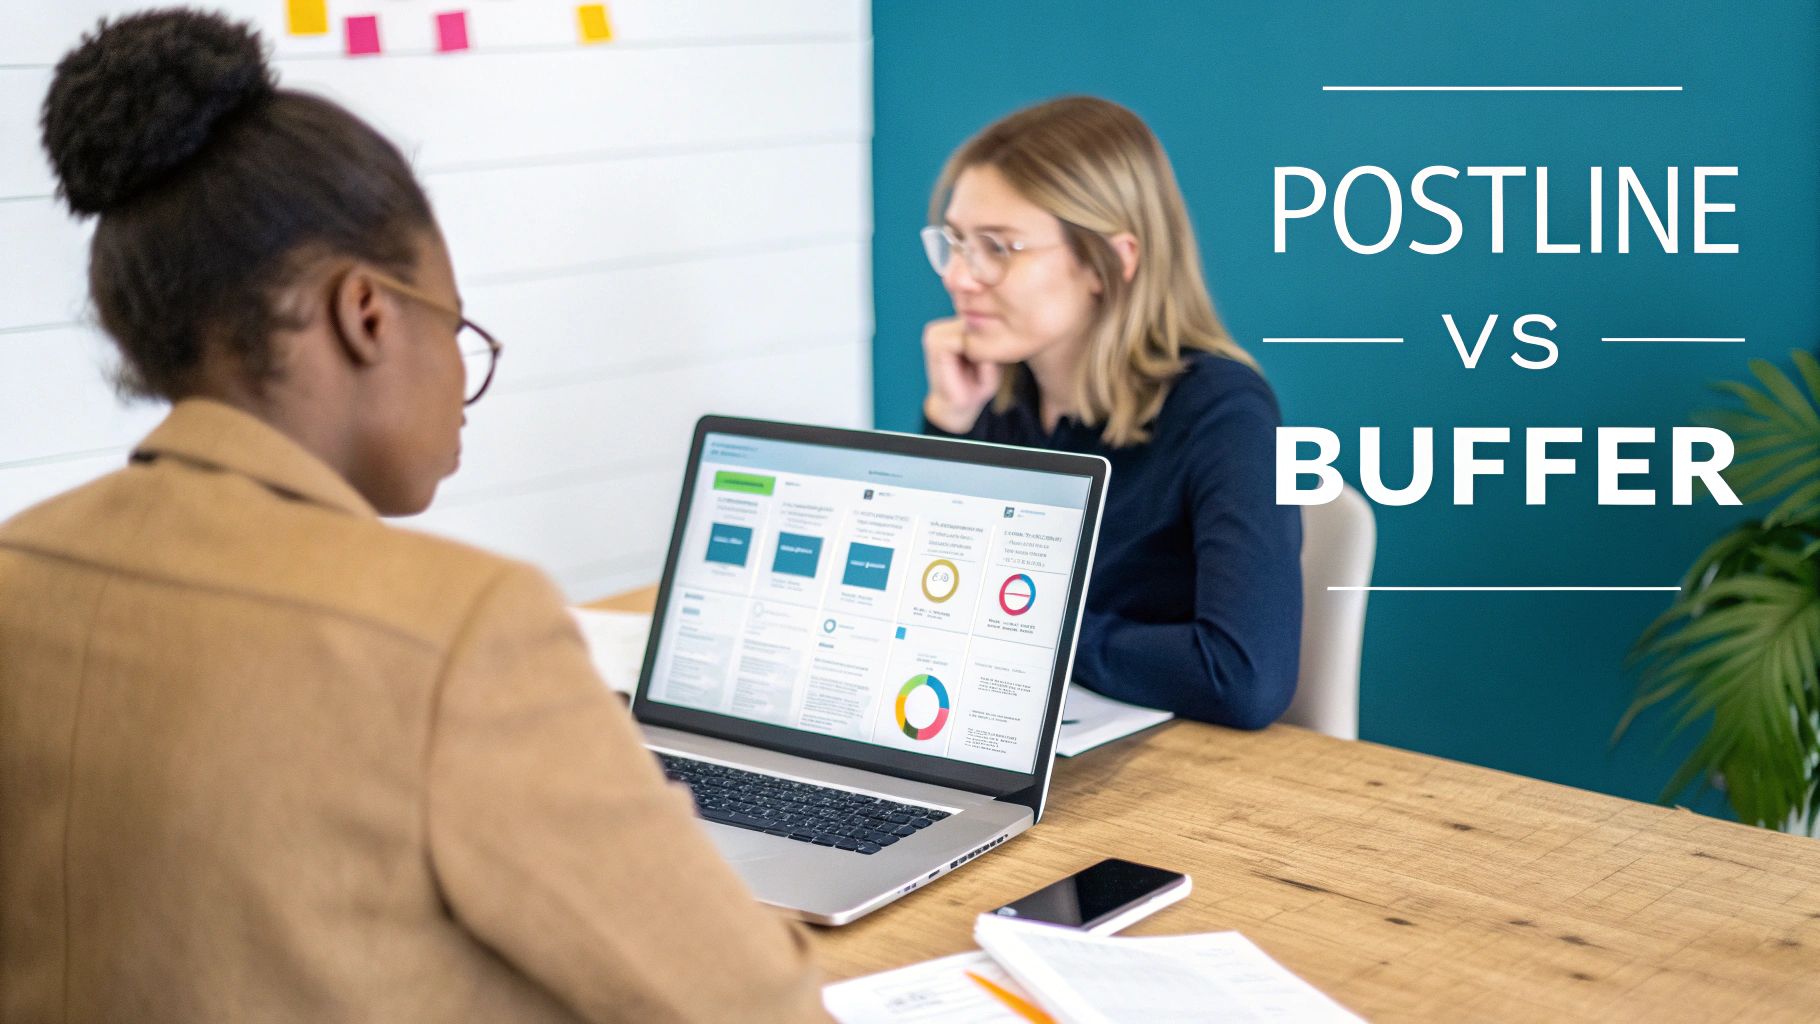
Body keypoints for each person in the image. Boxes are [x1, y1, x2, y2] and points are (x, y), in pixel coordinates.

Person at [0, 12, 826, 1022]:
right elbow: (757, 1003)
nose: (460, 375)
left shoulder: (19, 566)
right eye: (456, 325)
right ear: (368, 314)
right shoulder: (458, 627)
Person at [919, 96, 1302, 729]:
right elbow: (923, 607)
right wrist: (948, 426)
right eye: (956, 242)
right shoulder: (998, 394)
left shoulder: (1225, 412)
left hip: (1175, 774)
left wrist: (1032, 633)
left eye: (999, 248)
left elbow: (1243, 677)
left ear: (1112, 261)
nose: (961, 276)